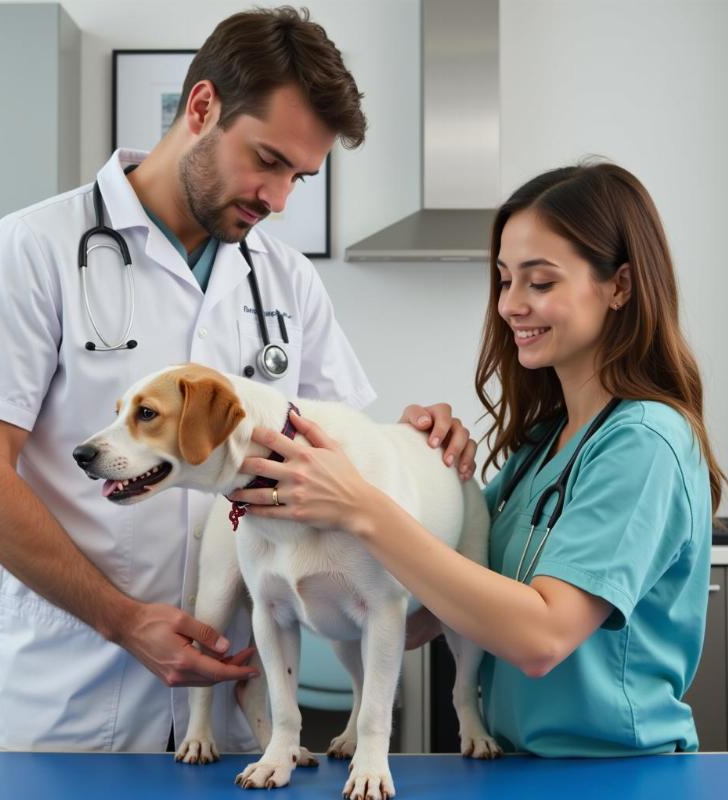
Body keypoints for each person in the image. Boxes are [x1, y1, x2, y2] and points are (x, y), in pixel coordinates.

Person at [0, 7, 473, 753]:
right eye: (268, 160)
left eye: (299, 177)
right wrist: (124, 620)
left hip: (241, 728)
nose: (278, 199)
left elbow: (338, 479)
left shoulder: (286, 282)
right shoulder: (34, 251)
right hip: (72, 711)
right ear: (202, 107)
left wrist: (412, 453)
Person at [230, 161, 726, 756]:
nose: (511, 304)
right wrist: (416, 470)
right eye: (503, 280)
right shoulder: (542, 445)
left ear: (619, 285)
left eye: (540, 283)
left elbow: (541, 639)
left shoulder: (645, 441)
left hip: (615, 774)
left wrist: (363, 506)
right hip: (521, 767)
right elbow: (427, 613)